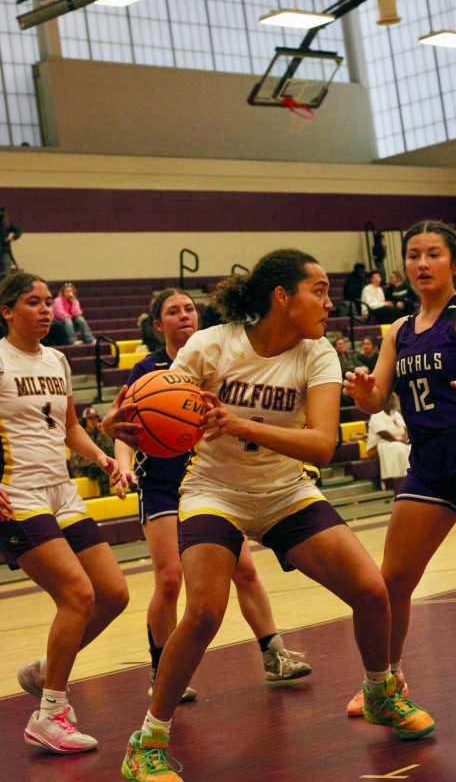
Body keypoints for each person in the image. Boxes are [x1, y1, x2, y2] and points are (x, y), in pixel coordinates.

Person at [106, 249, 434, 782]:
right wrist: (123, 427)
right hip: (215, 489)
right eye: (320, 291)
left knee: (371, 591)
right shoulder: (213, 344)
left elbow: (323, 445)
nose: (330, 302)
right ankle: (147, 742)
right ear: (282, 296)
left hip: (285, 489)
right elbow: (155, 409)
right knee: (206, 611)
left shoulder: (318, 353)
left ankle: (380, 692)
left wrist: (240, 424)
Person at [343, 220, 456, 720]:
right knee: (393, 578)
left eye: (434, 255)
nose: (422, 264)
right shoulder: (397, 331)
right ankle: (386, 680)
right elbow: (379, 397)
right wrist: (364, 395)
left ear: (455, 264)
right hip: (428, 462)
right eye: (413, 255)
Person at [114, 287, 312, 705]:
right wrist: (122, 464)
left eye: (189, 308)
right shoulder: (147, 371)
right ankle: (161, 669)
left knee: (246, 570)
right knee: (169, 580)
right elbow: (126, 427)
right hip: (163, 485)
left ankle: (274, 654)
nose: (184, 315)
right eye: (173, 311)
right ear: (158, 325)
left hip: (211, 481)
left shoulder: (218, 359)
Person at [0, 271, 129, 754]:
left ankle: (42, 671)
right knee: (77, 594)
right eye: (32, 302)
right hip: (19, 493)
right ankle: (49, 713)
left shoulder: (56, 359)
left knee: (113, 594)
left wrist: (101, 457)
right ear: (7, 311)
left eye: (48, 301)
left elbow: (71, 426)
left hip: (63, 492)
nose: (44, 309)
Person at [366, 393, 410, 495]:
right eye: (389, 400)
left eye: (393, 400)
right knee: (398, 448)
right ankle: (393, 482)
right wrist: (400, 441)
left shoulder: (396, 414)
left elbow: (405, 429)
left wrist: (404, 439)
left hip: (398, 442)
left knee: (411, 448)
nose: (391, 402)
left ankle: (407, 479)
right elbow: (383, 433)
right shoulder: (377, 414)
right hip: (380, 445)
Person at [70, 406, 116, 496]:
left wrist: (104, 434)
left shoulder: (100, 434)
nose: (93, 421)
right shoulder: (79, 436)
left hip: (97, 465)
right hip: (83, 468)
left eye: (95, 418)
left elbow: (111, 452)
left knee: (110, 466)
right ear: (84, 421)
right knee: (101, 468)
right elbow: (77, 461)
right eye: (90, 418)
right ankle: (105, 496)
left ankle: (134, 489)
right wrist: (96, 460)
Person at [0, 206, 21, 278]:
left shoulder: (7, 222)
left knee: (6, 271)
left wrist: (12, 238)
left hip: (4, 249)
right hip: (5, 249)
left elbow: (18, 231)